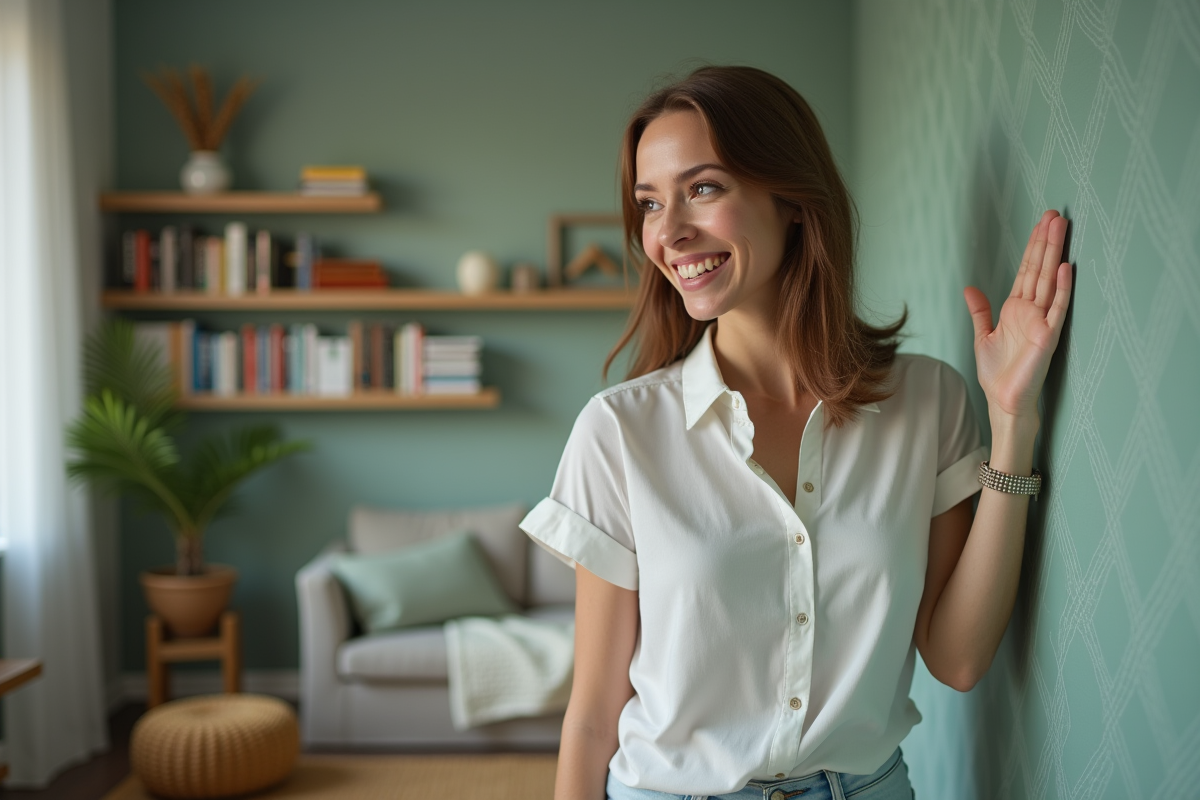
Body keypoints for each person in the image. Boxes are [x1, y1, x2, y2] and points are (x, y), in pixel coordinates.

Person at [519, 66, 1071, 800]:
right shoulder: (619, 432)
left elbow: (959, 659)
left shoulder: (928, 401)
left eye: (703, 188)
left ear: (793, 202)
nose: (669, 231)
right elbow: (592, 715)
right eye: (649, 203)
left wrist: (1014, 420)